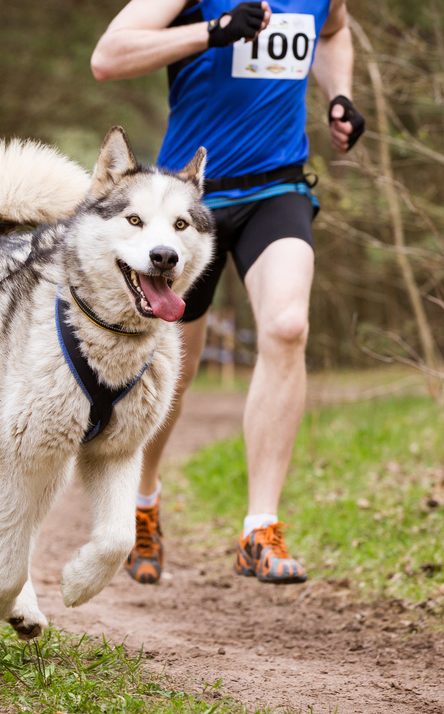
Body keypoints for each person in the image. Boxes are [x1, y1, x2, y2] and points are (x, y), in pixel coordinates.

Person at [91, 0, 364, 585]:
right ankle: (143, 504)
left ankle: (259, 530)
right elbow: (107, 57)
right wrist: (210, 32)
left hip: (279, 187)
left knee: (288, 328)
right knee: (176, 371)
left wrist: (340, 94)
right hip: (188, 202)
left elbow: (336, 31)